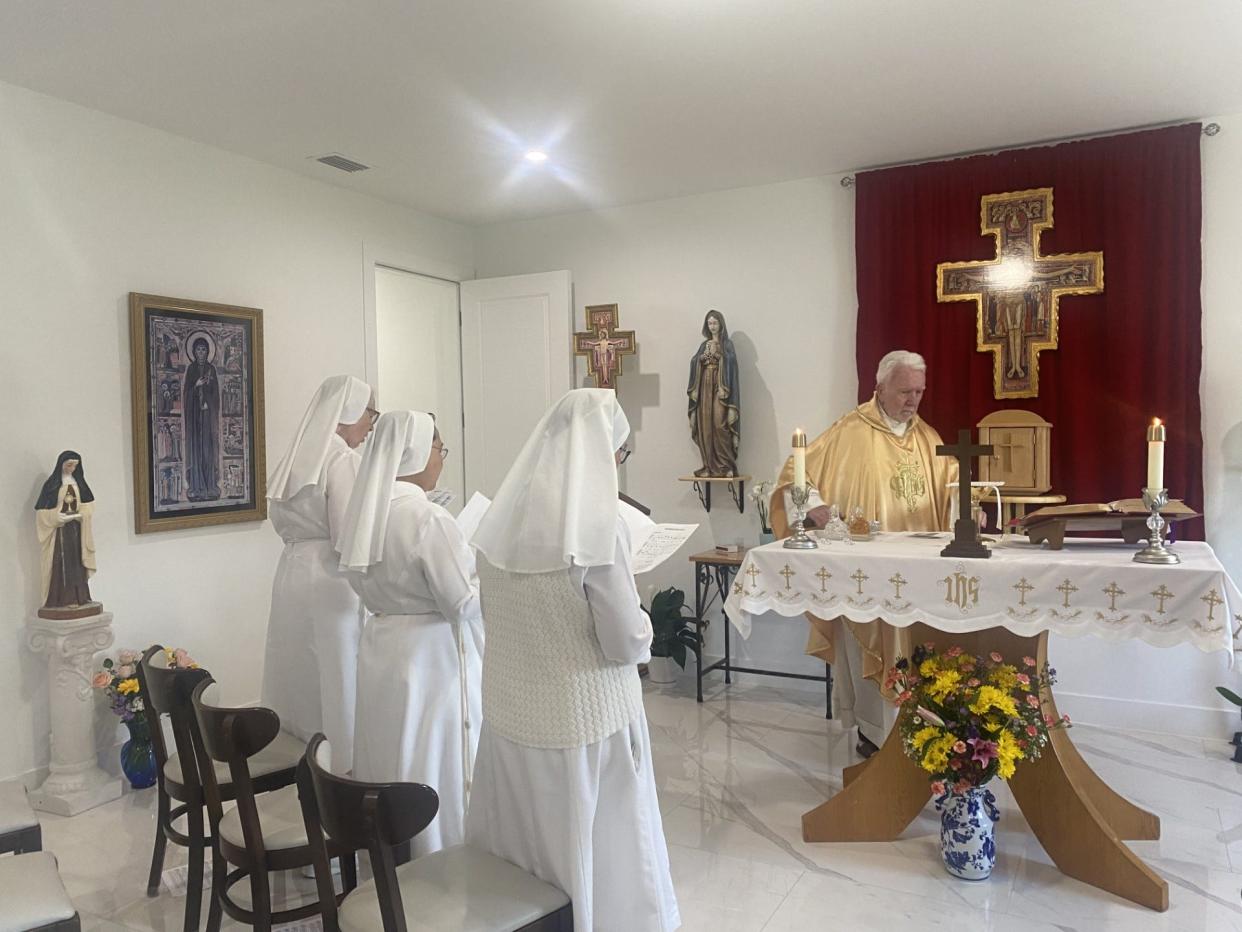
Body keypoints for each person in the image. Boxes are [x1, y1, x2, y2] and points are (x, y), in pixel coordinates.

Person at [467, 388, 680, 932]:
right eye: (619, 453)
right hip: (584, 726)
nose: (617, 466)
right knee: (598, 852)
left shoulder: (498, 519)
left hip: (510, 715)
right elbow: (624, 641)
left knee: (522, 848)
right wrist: (646, 624)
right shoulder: (596, 525)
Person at [770, 350, 956, 753]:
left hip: (918, 573)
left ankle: (922, 731)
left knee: (918, 648)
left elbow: (954, 497)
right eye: (905, 391)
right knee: (871, 645)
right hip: (866, 573)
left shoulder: (929, 438)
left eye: (919, 392)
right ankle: (874, 734)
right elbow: (796, 473)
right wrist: (810, 505)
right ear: (880, 388)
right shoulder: (849, 430)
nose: (913, 401)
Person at [338, 410, 483, 858]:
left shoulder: (364, 512)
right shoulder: (428, 518)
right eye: (440, 449)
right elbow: (461, 601)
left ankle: (390, 849)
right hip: (429, 654)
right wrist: (484, 568)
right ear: (419, 453)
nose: (441, 459)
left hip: (382, 643)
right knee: (429, 754)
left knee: (391, 746)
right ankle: (437, 851)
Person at [261, 375, 375, 773]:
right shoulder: (342, 459)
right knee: (334, 668)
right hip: (330, 577)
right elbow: (350, 532)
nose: (371, 424)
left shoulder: (295, 455)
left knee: (297, 667)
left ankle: (296, 754)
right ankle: (340, 763)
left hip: (291, 570)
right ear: (348, 414)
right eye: (369, 413)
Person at [35, 451, 97, 612]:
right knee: (62, 563)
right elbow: (41, 513)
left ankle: (80, 597)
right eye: (69, 465)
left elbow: (88, 505)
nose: (71, 468)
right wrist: (56, 517)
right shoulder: (52, 484)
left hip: (77, 529)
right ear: (61, 464)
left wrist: (82, 513)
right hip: (60, 532)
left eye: (75, 465)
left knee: (77, 563)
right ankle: (62, 598)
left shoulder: (79, 483)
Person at [687, 309, 740, 477]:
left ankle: (726, 466)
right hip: (705, 386)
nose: (712, 326)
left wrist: (719, 355)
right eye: (709, 323)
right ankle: (708, 465)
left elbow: (731, 363)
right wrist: (701, 359)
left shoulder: (727, 344)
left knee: (720, 423)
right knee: (706, 424)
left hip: (720, 387)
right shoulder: (704, 345)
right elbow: (695, 361)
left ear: (721, 324)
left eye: (715, 323)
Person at [183, 337, 220, 501]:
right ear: (193, 352)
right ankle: (197, 487)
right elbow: (186, 394)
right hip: (195, 419)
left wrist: (209, 405)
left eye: (203, 349)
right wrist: (195, 386)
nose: (201, 353)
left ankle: (210, 486)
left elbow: (216, 395)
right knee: (197, 451)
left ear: (207, 352)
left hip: (207, 419)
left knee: (208, 452)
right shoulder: (191, 370)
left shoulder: (212, 369)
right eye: (198, 349)